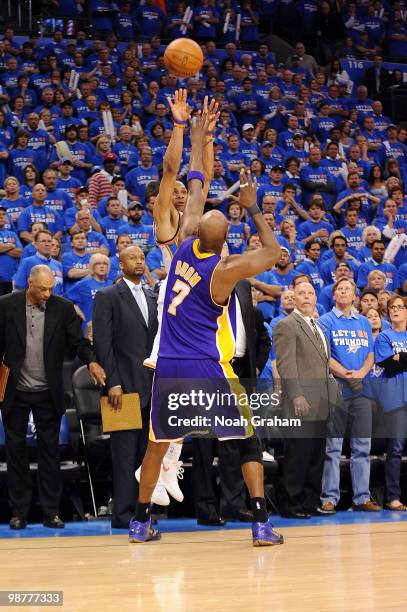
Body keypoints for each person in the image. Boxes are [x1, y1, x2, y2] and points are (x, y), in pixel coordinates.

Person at [132, 131, 283, 548]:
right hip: (206, 366)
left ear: (198, 232)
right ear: (225, 242)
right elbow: (274, 253)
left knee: (156, 447)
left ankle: (140, 523)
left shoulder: (181, 245)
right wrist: (251, 207)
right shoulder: (225, 270)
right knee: (248, 442)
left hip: (168, 366)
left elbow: (196, 181)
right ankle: (260, 524)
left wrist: (198, 136)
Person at [0, 265, 105, 530]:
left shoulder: (63, 307)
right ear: (29, 284)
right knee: (16, 454)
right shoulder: (6, 305)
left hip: (49, 392)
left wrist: (91, 361)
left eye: (51, 288)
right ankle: (19, 512)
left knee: (50, 454)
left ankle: (51, 512)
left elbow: (78, 343)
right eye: (42, 289)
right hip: (15, 392)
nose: (47, 293)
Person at [92, 246, 158, 528]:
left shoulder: (155, 296)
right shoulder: (108, 296)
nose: (139, 261)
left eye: (142, 258)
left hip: (154, 388)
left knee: (148, 454)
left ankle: (144, 512)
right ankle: (123, 515)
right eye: (133, 258)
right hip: (123, 387)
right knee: (123, 455)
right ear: (121, 264)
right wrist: (113, 383)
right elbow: (103, 344)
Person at [273, 281, 338, 518]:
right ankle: (291, 503)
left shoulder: (318, 326)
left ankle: (310, 502)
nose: (308, 297)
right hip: (300, 401)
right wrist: (297, 395)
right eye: (302, 293)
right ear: (294, 298)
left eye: (311, 293)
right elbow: (286, 364)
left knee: (315, 455)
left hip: (320, 400)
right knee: (298, 454)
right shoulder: (287, 324)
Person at [317, 278, 381, 514]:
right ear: (334, 295)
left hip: (362, 390)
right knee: (332, 447)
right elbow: (324, 355)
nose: (344, 292)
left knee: (362, 446)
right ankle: (329, 498)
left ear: (355, 296)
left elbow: (371, 354)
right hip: (336, 390)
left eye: (348, 289)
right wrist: (346, 374)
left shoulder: (364, 322)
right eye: (340, 289)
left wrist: (361, 374)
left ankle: (361, 497)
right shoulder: (325, 321)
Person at [374, 295, 407, 511]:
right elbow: (387, 363)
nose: (395, 310)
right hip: (396, 399)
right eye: (391, 307)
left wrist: (400, 357)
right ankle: (393, 497)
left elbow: (398, 361)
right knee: (395, 448)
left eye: (400, 307)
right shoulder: (383, 337)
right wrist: (397, 359)